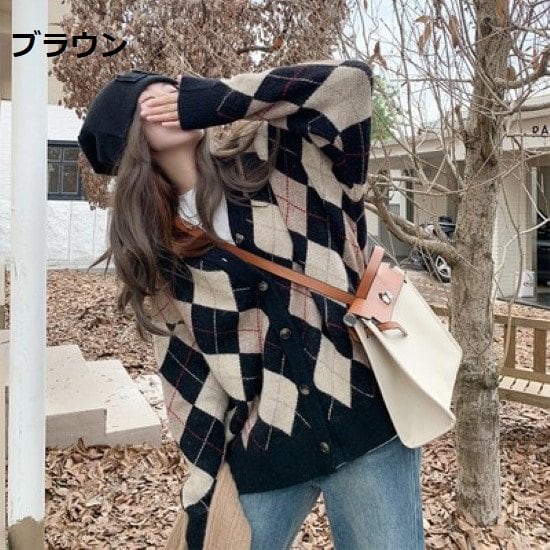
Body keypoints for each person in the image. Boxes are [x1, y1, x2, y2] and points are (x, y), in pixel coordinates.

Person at [78, 59, 425, 550]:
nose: (174, 100)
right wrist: (202, 496)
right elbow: (190, 384)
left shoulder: (279, 158)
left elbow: (351, 86)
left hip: (368, 426)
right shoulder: (163, 257)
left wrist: (218, 99)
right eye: (152, 103)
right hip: (267, 448)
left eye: (176, 91)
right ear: (132, 142)